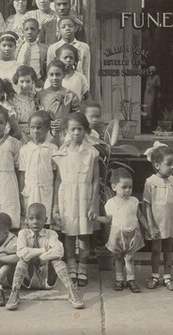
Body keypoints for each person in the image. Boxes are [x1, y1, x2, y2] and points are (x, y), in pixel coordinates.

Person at [5, 203, 84, 311]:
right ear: (26, 220)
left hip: (48, 278)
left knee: (57, 260)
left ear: (45, 219)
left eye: (39, 218)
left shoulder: (51, 234)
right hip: (29, 277)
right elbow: (21, 252)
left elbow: (59, 251)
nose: (35, 222)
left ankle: (71, 291)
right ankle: (15, 292)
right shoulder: (23, 233)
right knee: (22, 260)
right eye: (31, 218)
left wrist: (42, 258)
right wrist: (43, 250)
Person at [52, 112, 100, 287]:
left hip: (85, 196)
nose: (76, 133)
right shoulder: (62, 152)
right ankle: (71, 266)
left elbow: (95, 180)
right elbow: (58, 180)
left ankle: (83, 268)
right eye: (73, 129)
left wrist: (94, 203)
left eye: (80, 129)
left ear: (86, 131)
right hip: (67, 197)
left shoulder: (92, 153)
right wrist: (56, 205)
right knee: (69, 234)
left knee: (84, 235)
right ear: (66, 131)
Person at [96, 168, 148, 293]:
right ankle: (119, 280)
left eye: (130, 187)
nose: (128, 190)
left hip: (133, 233)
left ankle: (131, 280)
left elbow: (140, 216)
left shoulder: (134, 201)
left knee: (129, 258)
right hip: (117, 234)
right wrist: (96, 218)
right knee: (118, 257)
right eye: (124, 187)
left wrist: (148, 227)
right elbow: (108, 219)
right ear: (114, 187)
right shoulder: (110, 203)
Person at [142, 143, 173, 290]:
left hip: (171, 222)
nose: (172, 167)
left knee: (168, 248)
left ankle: (167, 276)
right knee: (156, 249)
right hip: (157, 222)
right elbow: (146, 204)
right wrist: (151, 225)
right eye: (168, 164)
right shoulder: (150, 182)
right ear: (157, 165)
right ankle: (154, 275)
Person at [19, 111, 57, 217]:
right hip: (30, 191)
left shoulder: (52, 149)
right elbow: (22, 173)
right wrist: (21, 194)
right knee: (32, 218)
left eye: (39, 128)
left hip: (47, 191)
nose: (35, 131)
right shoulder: (25, 149)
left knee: (46, 218)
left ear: (47, 129)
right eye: (32, 127)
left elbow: (55, 173)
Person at [16, 18, 47, 84]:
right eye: (26, 29)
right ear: (22, 32)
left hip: (36, 82)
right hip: (20, 82)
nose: (29, 32)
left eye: (32, 29)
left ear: (38, 31)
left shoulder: (44, 49)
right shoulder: (17, 48)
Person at [10, 66, 39, 134]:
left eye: (28, 81)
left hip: (34, 132)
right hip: (17, 132)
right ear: (17, 81)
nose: (25, 85)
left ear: (33, 81)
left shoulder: (36, 98)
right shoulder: (11, 99)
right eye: (22, 81)